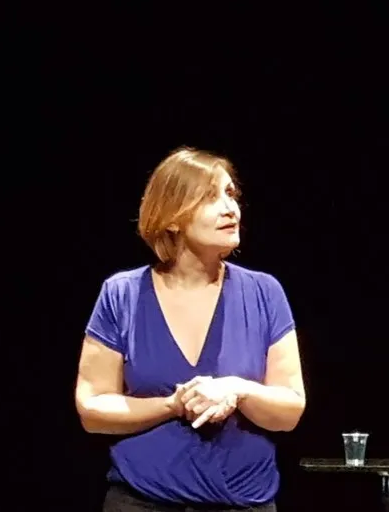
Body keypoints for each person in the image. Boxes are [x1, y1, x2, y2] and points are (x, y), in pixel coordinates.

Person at [75, 147, 306, 511]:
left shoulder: (264, 292)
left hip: (242, 504)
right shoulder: (122, 294)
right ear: (172, 218)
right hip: (142, 502)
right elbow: (92, 409)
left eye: (231, 194)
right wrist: (172, 405)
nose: (231, 209)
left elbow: (290, 410)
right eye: (211, 197)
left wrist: (237, 389)